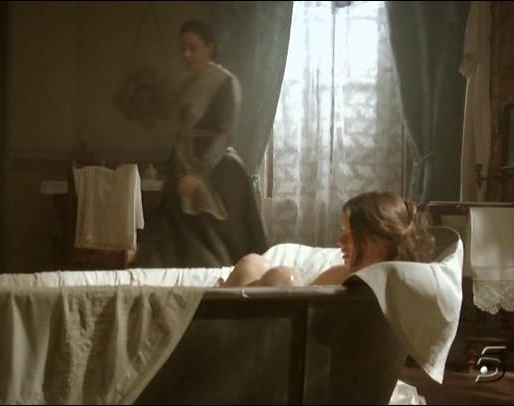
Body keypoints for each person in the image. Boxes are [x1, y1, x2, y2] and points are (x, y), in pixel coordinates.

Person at [136, 20, 268, 268]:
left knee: (214, 237)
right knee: (171, 237)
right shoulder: (188, 84)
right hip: (182, 164)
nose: (187, 54)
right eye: (183, 49)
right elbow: (183, 132)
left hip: (218, 169)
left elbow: (223, 133)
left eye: (193, 48)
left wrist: (197, 174)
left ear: (209, 47)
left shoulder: (226, 82)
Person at [220, 191, 434, 287]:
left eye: (351, 234)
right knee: (255, 264)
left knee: (273, 272)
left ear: (380, 238)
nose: (340, 241)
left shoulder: (397, 288)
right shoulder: (341, 274)